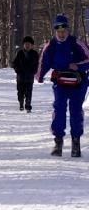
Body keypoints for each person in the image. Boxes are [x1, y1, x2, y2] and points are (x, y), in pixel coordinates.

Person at [36, 14, 89, 157]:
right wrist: (38, 76)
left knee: (75, 110)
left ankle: (76, 142)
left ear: (68, 29)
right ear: (55, 31)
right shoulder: (51, 45)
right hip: (60, 82)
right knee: (59, 108)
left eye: (63, 30)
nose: (61, 33)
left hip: (79, 82)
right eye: (58, 30)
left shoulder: (76, 43)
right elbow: (43, 62)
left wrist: (78, 66)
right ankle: (58, 142)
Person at [12, 36, 38, 112]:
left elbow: (37, 64)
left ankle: (28, 106)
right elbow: (14, 63)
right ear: (23, 45)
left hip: (29, 77)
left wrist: (34, 71)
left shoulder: (35, 54)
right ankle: (21, 103)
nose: (27, 45)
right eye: (26, 44)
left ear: (31, 45)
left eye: (29, 44)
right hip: (20, 77)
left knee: (29, 93)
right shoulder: (19, 53)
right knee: (20, 93)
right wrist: (17, 70)